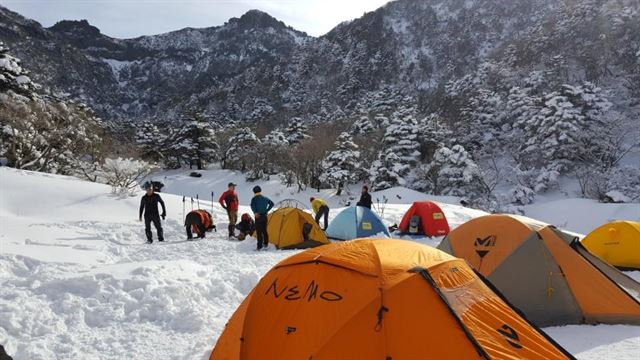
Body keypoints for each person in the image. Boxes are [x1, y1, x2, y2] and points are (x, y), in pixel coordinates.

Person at [250, 186, 274, 250]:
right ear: (260, 191)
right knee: (264, 230)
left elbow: (252, 206)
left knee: (259, 232)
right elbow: (272, 204)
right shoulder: (265, 198)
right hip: (265, 216)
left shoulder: (254, 199)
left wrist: (255, 212)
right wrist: (267, 210)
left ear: (254, 192)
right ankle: (266, 244)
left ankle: (259, 246)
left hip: (258, 216)